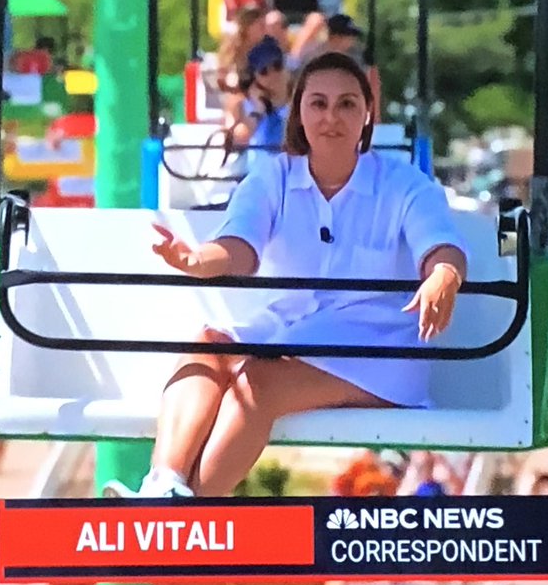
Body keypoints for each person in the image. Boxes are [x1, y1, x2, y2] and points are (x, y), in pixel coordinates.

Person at [102, 52, 469, 498]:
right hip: (292, 333)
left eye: (347, 104)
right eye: (318, 103)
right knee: (208, 346)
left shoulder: (404, 183)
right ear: (298, 111)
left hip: (377, 350)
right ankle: (164, 484)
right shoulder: (272, 177)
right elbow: (240, 245)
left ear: (367, 113)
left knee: (259, 382)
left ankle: (183, 517)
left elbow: (441, 245)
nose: (331, 117)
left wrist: (443, 275)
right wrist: (198, 260)